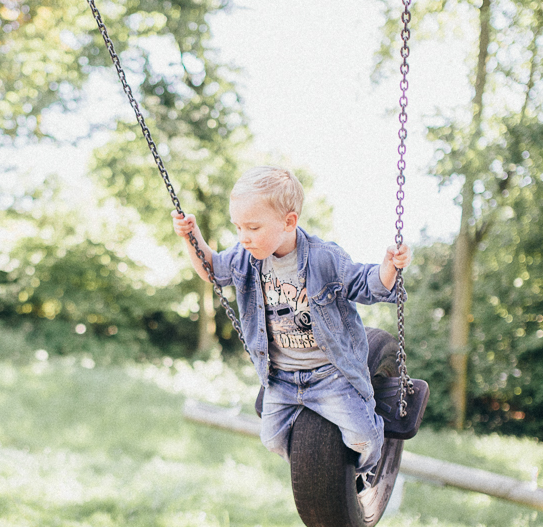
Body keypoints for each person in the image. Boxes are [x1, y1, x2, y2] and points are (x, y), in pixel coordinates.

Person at [173, 166, 410, 476]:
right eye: (238, 227)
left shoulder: (325, 258)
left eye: (253, 228)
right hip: (282, 377)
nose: (243, 238)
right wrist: (192, 238)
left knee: (362, 439)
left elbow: (367, 283)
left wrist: (390, 266)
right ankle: (318, 471)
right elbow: (213, 270)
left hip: (331, 375)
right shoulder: (246, 258)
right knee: (271, 439)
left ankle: (364, 471)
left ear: (289, 222)